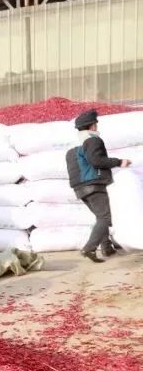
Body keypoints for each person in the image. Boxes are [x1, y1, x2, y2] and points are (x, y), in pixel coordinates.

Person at [67, 109, 131, 263]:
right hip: (94, 184)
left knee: (100, 217)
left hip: (80, 188)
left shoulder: (73, 147)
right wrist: (119, 162)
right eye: (95, 123)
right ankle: (89, 248)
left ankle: (107, 247)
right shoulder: (93, 140)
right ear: (92, 126)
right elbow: (96, 160)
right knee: (105, 217)